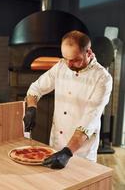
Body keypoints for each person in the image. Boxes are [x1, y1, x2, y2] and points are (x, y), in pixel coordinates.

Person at [23, 30, 112, 169]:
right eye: (66, 58)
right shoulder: (61, 66)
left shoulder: (103, 79)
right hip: (55, 145)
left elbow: (88, 122)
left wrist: (67, 152)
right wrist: (31, 108)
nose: (69, 65)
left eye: (75, 60)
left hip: (81, 153)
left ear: (88, 52)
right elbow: (35, 88)